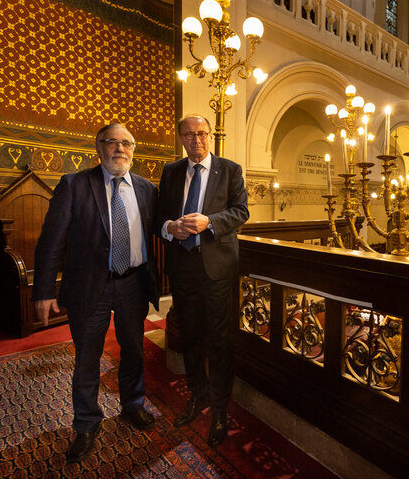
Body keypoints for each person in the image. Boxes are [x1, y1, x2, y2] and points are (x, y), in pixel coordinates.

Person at [33, 123, 160, 462]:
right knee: (87, 358)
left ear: (134, 149)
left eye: (127, 143)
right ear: (98, 147)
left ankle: (133, 405)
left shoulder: (148, 189)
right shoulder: (74, 184)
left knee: (134, 350)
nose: (120, 149)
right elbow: (51, 241)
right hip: (91, 286)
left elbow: (160, 230)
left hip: (134, 282)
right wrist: (44, 291)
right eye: (111, 142)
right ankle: (86, 423)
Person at [158, 114, 249, 448]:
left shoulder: (230, 170)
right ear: (181, 137)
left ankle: (221, 411)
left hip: (218, 270)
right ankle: (198, 397)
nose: (196, 140)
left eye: (201, 133)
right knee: (191, 337)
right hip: (183, 269)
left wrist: (209, 221)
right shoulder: (170, 172)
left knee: (220, 341)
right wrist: (171, 227)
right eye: (188, 134)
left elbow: (241, 211)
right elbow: (158, 218)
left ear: (210, 135)